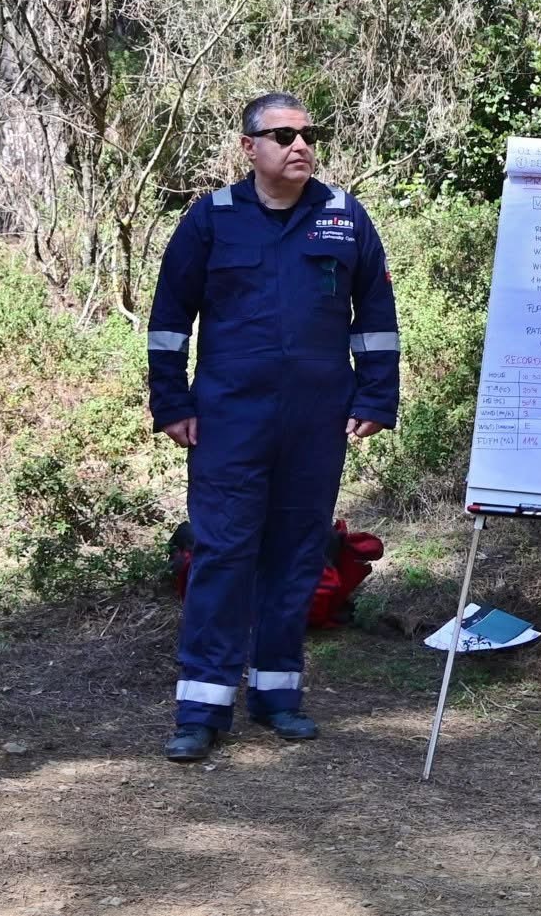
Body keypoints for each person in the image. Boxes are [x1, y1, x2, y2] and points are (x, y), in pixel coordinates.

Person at [148, 92, 399, 761]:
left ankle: (277, 694)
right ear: (248, 146)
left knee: (297, 553)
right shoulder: (213, 220)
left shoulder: (343, 218)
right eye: (282, 133)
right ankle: (202, 706)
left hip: (316, 421)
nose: (299, 144)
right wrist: (171, 402)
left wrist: (377, 395)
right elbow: (171, 317)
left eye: (307, 133)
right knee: (224, 552)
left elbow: (374, 314)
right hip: (230, 420)